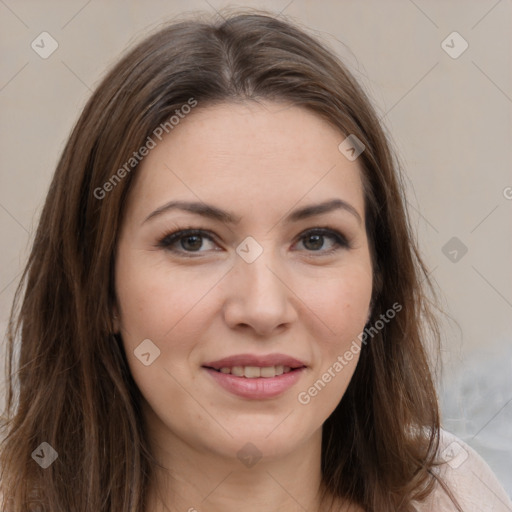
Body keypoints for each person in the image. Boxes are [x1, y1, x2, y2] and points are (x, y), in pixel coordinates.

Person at [1, 9, 511, 512]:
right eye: (193, 241)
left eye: (315, 240)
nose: (263, 308)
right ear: (101, 288)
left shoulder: (454, 495)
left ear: (378, 279)